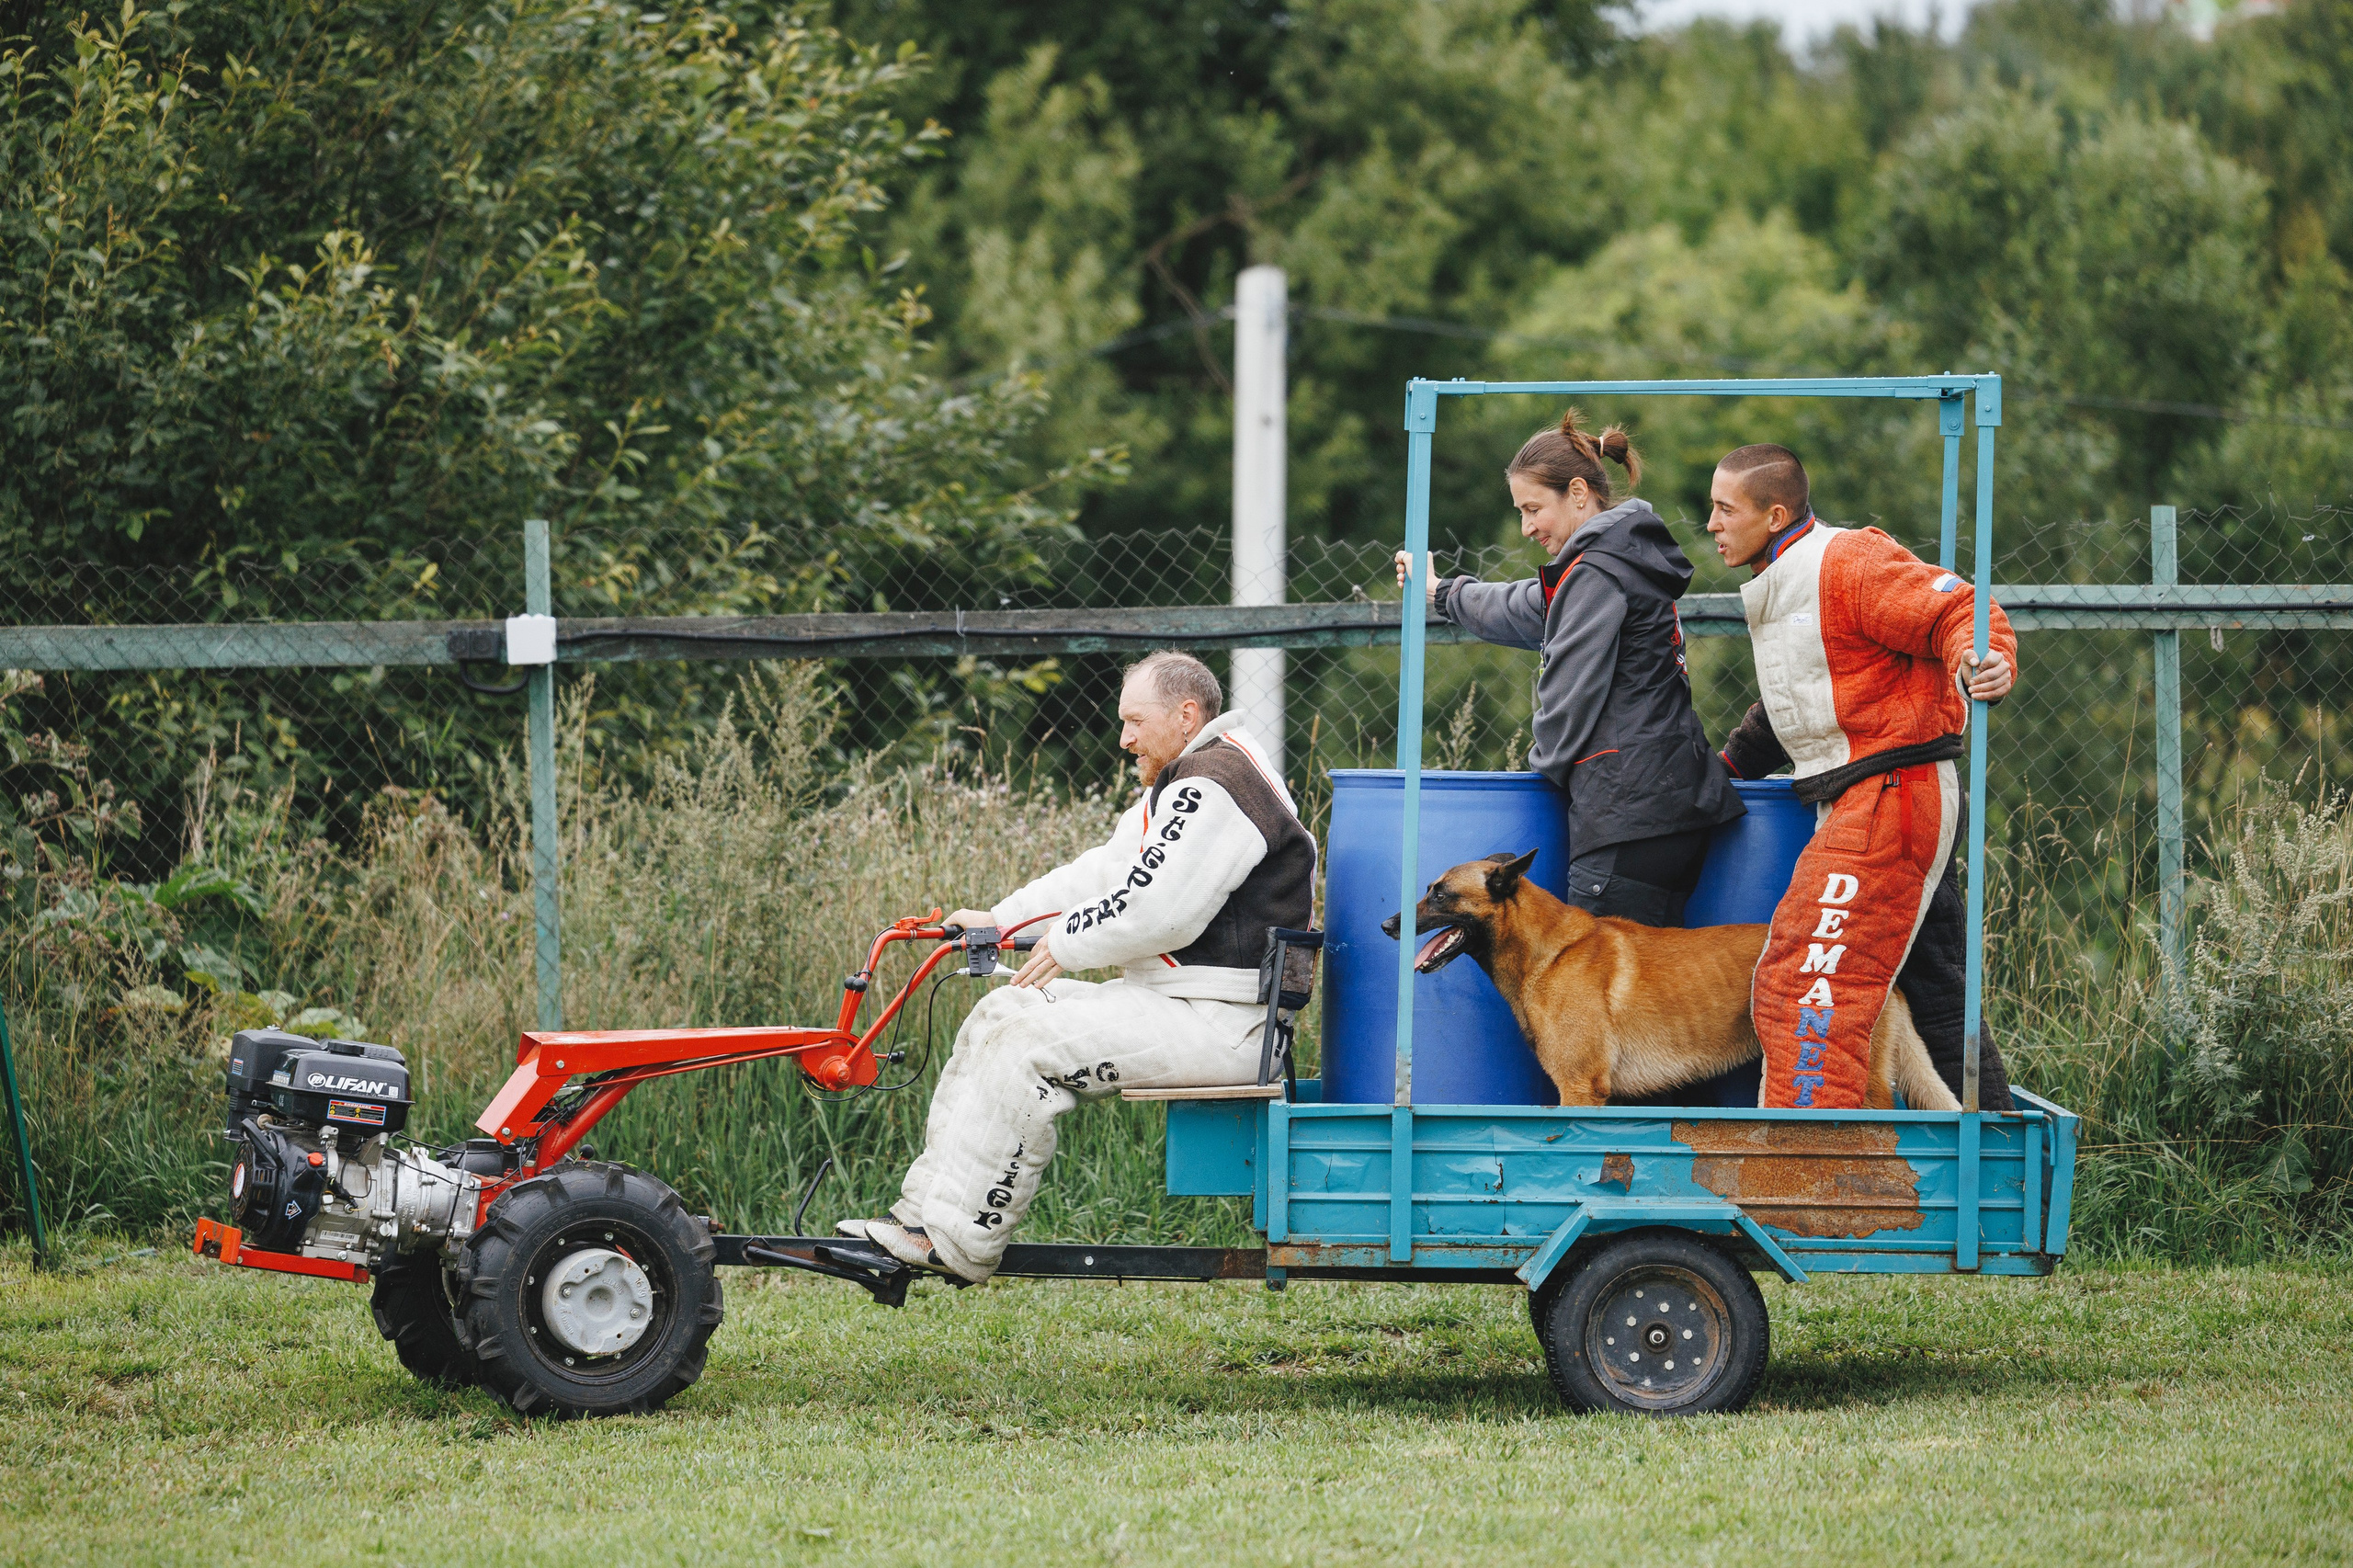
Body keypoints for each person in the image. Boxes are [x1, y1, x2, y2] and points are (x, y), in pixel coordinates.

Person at [842, 650, 1314, 1283]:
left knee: (1024, 1043)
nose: (1124, 739)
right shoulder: (1193, 779)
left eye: (1134, 721)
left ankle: (958, 1243)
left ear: (1185, 713)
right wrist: (999, 922)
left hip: (1224, 1025)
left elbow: (1157, 912)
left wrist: (1065, 943)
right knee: (1002, 1012)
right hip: (1186, 1006)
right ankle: (922, 1219)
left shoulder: (1215, 785)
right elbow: (1104, 874)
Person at [1703, 442, 2019, 1111]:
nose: (1712, 524)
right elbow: (1796, 699)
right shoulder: (1788, 578)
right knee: (1936, 987)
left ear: (1776, 513)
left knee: (1807, 983)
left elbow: (1959, 610)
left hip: (1892, 793)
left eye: (1725, 509)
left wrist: (1985, 660)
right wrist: (1721, 773)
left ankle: (1816, 1183)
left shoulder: (1846, 561)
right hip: (1869, 795)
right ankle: (2001, 1177)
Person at [1394, 409, 1743, 926]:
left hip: (1628, 812)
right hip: (1670, 801)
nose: (1526, 526)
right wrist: (1443, 593)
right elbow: (1526, 605)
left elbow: (1568, 691)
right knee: (1641, 986)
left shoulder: (1597, 571)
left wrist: (1543, 772)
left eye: (1533, 508)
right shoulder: (1617, 558)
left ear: (1578, 492)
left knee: (1597, 992)